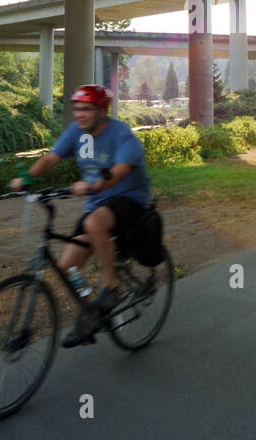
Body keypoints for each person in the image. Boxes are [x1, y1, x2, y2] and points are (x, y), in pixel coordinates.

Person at [10, 84, 151, 346]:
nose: (80, 114)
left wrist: (97, 184)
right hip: (97, 204)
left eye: (87, 109)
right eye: (77, 109)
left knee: (93, 221)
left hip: (130, 199)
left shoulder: (121, 134)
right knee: (66, 267)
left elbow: (121, 169)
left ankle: (110, 287)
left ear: (102, 111)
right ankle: (92, 314)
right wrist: (26, 178)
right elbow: (51, 159)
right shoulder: (76, 132)